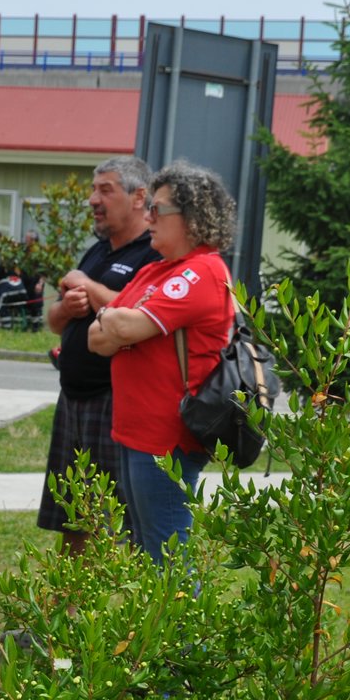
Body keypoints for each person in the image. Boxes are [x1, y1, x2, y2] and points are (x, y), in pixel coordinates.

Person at [88, 161, 237, 566]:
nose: (148, 218)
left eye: (158, 209)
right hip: (136, 434)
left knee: (169, 558)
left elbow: (126, 324)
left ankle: (184, 632)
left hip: (166, 439)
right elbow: (96, 339)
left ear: (191, 217)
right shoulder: (156, 269)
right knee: (149, 553)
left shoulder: (201, 271)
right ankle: (161, 630)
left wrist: (116, 319)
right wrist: (117, 323)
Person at [38, 156, 159, 555]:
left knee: (118, 522)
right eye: (94, 189)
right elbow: (56, 321)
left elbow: (142, 314)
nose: (93, 199)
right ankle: (67, 614)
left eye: (105, 189)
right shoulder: (97, 251)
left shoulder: (153, 253)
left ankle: (106, 616)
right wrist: (67, 307)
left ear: (139, 196)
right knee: (76, 515)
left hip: (117, 403)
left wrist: (88, 288)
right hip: (74, 399)